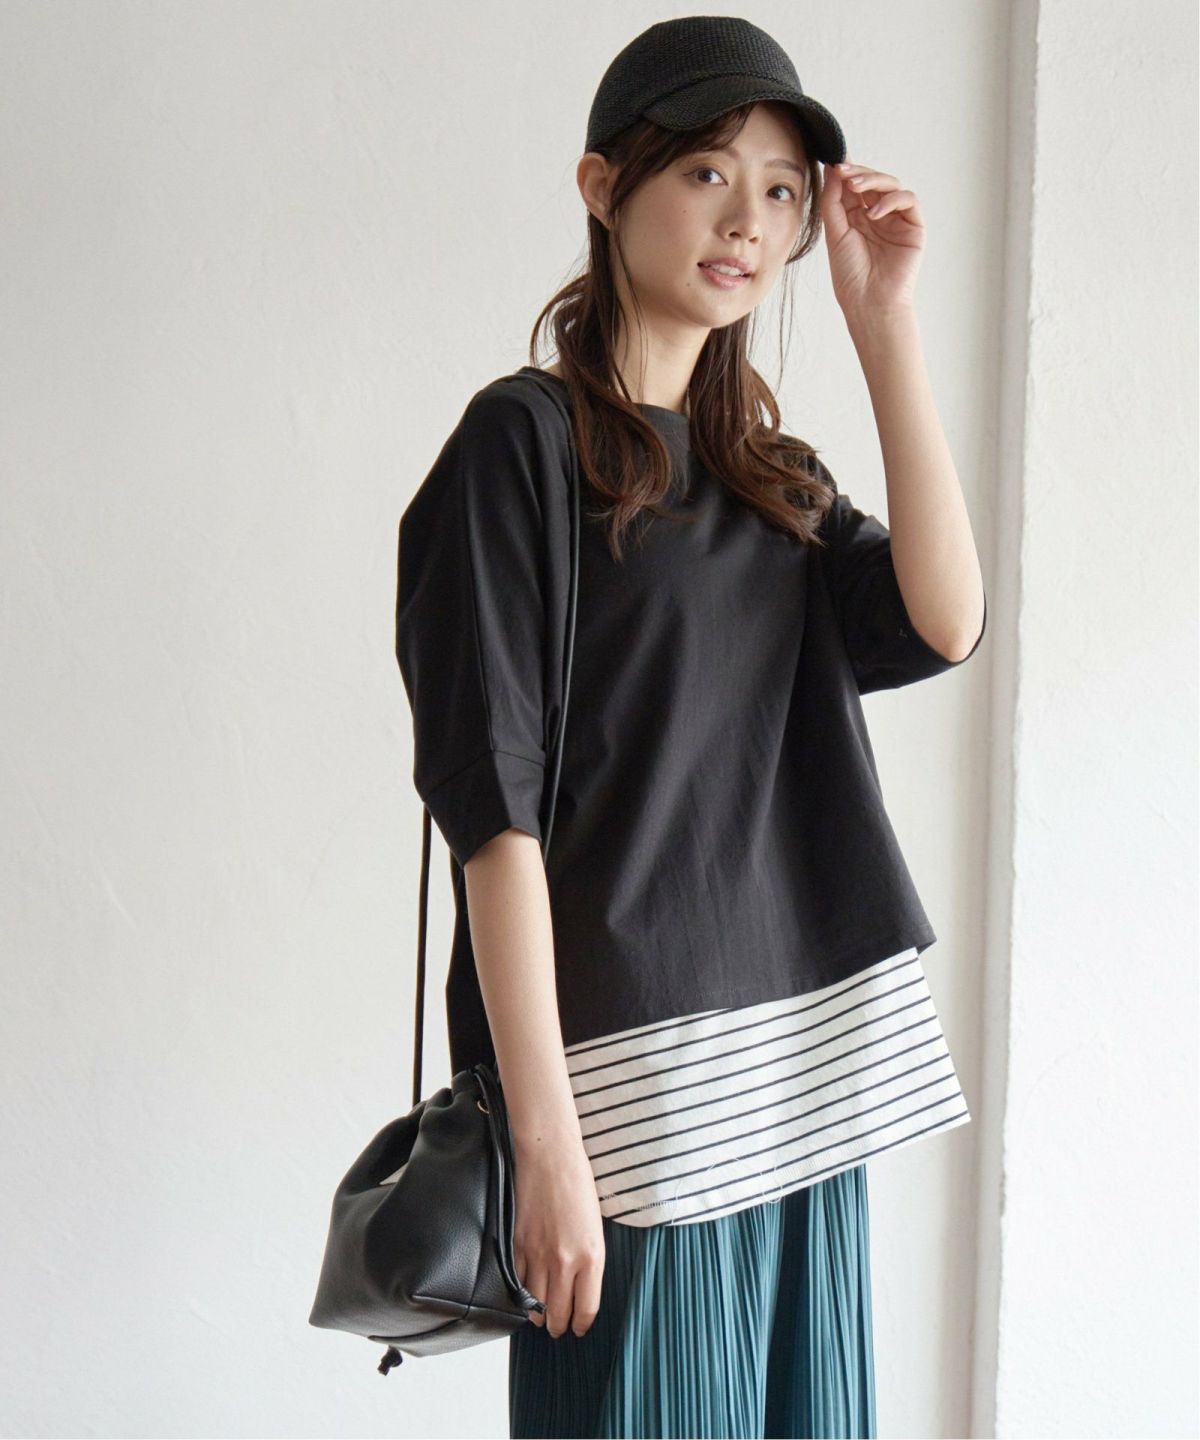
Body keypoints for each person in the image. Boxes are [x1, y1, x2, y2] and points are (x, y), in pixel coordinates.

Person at [394, 16, 987, 1439]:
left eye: (780, 191)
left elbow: (946, 619)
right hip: (630, 1109)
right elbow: (495, 818)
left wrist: (885, 325)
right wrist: (548, 1144)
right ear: (604, 186)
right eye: (709, 174)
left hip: (801, 1088)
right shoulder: (522, 450)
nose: (749, 222)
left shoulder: (768, 477)